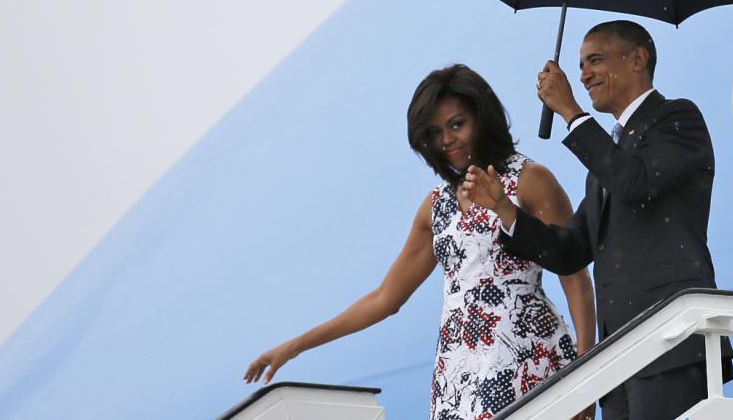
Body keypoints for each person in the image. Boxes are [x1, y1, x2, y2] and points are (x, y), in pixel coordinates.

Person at [243, 64, 597, 420]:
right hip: (459, 379)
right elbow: (384, 299)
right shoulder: (436, 207)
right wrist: (294, 347)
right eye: (434, 132)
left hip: (531, 361)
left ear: (482, 117)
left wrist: (587, 374)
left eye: (457, 124)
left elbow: (576, 278)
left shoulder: (529, 179)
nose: (446, 140)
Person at [462, 20, 733, 419]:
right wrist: (504, 208)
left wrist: (571, 113)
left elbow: (634, 182)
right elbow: (569, 251)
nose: (583, 75)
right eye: (580, 64)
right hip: (619, 356)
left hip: (671, 339)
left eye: (595, 60)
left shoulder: (678, 119)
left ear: (638, 58)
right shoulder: (606, 162)